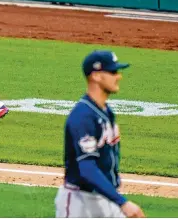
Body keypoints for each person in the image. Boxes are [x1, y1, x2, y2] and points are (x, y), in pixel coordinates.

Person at [54, 50, 145, 218]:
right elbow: (87, 168)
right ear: (96, 76)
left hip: (105, 198)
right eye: (113, 72)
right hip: (79, 203)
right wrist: (122, 202)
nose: (119, 76)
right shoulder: (83, 116)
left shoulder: (106, 111)